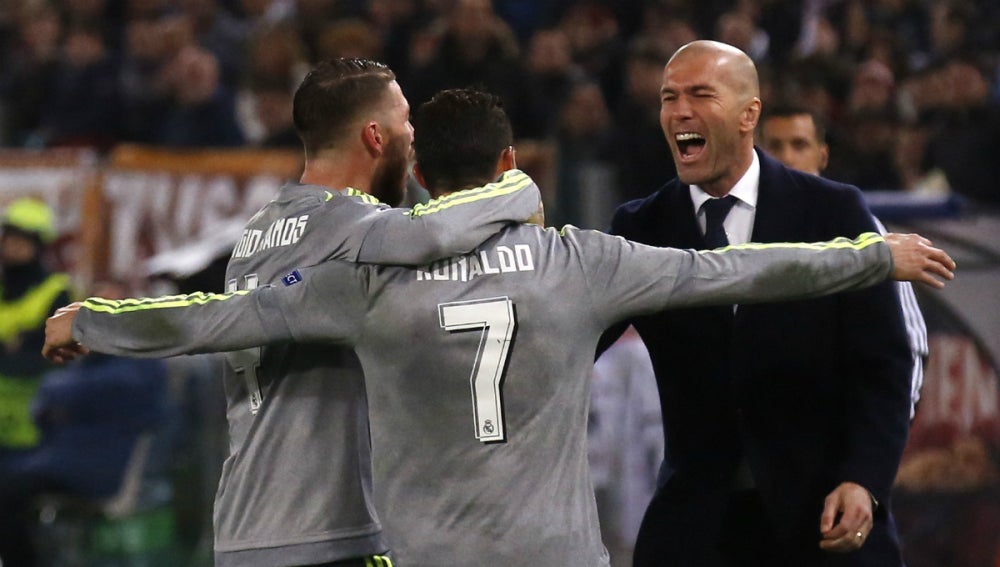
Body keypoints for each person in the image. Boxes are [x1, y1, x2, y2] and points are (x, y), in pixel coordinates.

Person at [43, 89, 955, 566]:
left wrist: (98, 321)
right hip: (557, 554)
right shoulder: (580, 262)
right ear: (512, 163)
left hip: (426, 554)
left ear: (420, 175)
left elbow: (215, 317)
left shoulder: (362, 278)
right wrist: (873, 256)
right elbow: (744, 268)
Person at [54, 59, 540, 567]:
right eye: (405, 121)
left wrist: (96, 319)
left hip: (247, 529)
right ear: (375, 136)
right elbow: (440, 230)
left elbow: (217, 315)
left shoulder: (260, 231)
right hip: (322, 533)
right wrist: (516, 186)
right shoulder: (356, 230)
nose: (413, 137)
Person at [597, 40, 916, 566]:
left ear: (749, 115)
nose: (680, 111)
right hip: (697, 528)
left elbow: (883, 367)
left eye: (701, 94)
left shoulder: (833, 213)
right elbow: (578, 340)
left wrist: (863, 479)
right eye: (669, 97)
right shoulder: (640, 228)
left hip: (823, 517)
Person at [759, 104, 930, 419]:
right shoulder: (737, 229)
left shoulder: (859, 227)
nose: (787, 157)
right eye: (775, 146)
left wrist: (885, 436)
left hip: (839, 434)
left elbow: (908, 340)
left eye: (799, 145)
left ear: (822, 156)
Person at [0, 198, 74, 567]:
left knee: (11, 511)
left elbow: (47, 358)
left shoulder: (55, 290)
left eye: (22, 237)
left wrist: (18, 351)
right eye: (9, 235)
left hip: (35, 430)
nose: (12, 244)